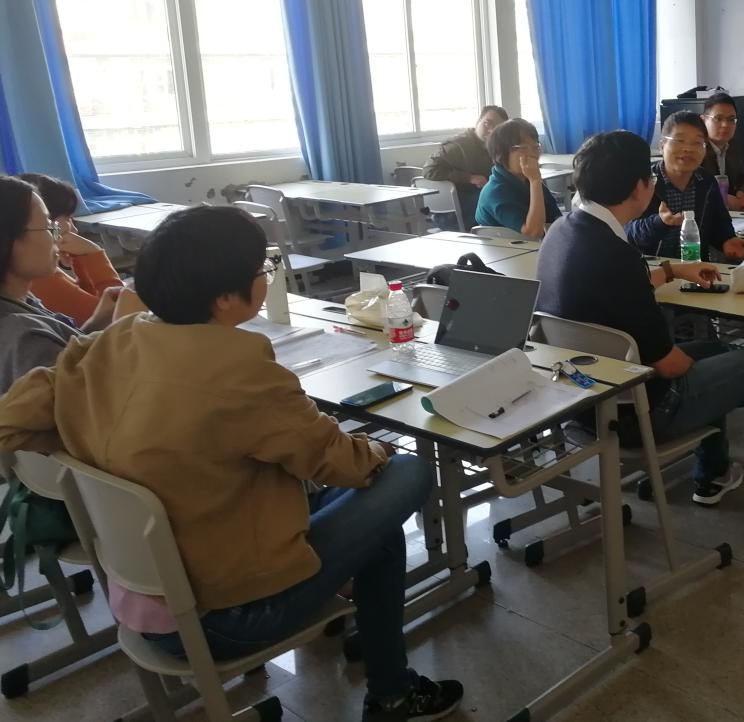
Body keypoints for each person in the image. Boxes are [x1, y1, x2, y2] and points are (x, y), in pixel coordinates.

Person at [0, 205, 463, 722]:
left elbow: (9, 422)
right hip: (229, 613)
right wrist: (376, 450)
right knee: (405, 472)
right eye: (261, 269)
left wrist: (73, 452)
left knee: (373, 524)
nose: (264, 277)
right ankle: (391, 691)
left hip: (139, 598)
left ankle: (392, 687)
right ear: (224, 296)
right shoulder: (239, 368)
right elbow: (341, 463)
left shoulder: (104, 345)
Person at [536, 130, 744, 532]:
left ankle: (714, 473)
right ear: (640, 187)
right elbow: (670, 365)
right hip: (641, 409)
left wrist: (671, 270)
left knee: (714, 349)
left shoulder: (563, 232)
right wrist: (704, 373)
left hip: (584, 399)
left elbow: (610, 289)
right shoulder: (617, 255)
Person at [0, 176, 121, 393]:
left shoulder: (21, 298)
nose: (58, 237)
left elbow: (64, 355)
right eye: (49, 226)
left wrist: (94, 324)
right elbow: (88, 400)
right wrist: (127, 328)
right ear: (8, 240)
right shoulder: (25, 338)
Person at [627, 113, 744, 261]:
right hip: (652, 268)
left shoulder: (706, 181)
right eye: (679, 141)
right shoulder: (644, 181)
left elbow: (720, 222)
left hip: (696, 268)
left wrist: (727, 240)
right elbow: (629, 233)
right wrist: (660, 222)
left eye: (697, 143)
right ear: (662, 145)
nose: (688, 149)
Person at [17, 172, 126, 325]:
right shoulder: (38, 276)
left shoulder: (29, 267)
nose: (74, 229)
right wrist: (94, 254)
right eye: (67, 218)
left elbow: (89, 305)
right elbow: (119, 318)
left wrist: (82, 259)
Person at [422, 105, 509, 228]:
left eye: (497, 128)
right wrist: (468, 178)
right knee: (499, 200)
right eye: (487, 123)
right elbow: (429, 170)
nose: (491, 130)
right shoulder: (457, 146)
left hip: (476, 204)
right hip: (455, 211)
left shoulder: (497, 146)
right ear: (478, 122)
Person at [475, 118, 561, 239]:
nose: (533, 154)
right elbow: (533, 233)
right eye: (523, 148)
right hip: (508, 249)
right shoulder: (495, 192)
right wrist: (535, 181)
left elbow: (556, 218)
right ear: (500, 153)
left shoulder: (527, 181)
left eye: (535, 147)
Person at [699, 93, 744, 212]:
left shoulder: (732, 146)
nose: (725, 125)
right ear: (703, 120)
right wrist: (725, 199)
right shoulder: (696, 149)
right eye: (718, 119)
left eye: (731, 120)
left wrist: (743, 193)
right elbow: (694, 188)